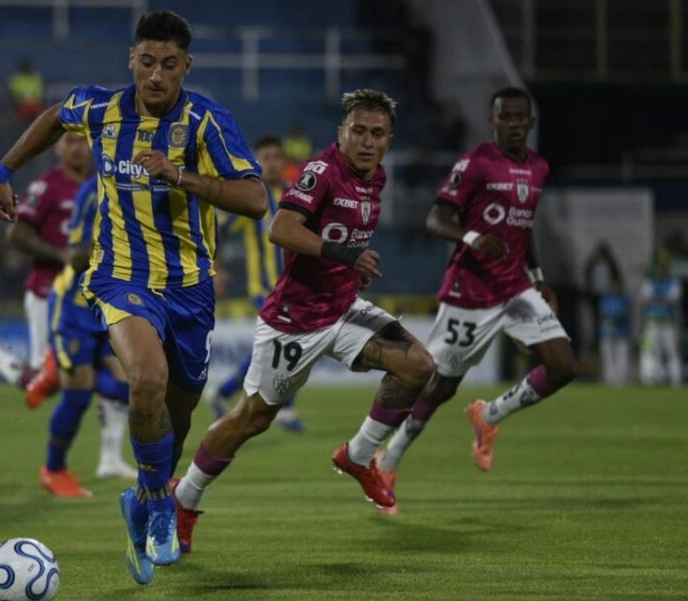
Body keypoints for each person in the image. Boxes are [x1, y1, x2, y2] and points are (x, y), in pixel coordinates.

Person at [0, 11, 266, 585]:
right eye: (146, 62)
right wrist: (3, 169)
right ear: (131, 60)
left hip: (189, 287)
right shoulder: (102, 108)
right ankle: (161, 504)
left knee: (176, 418)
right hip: (120, 276)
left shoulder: (207, 122)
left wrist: (181, 177)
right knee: (147, 381)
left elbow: (257, 200)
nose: (155, 75)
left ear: (185, 67)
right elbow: (55, 116)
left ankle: (141, 500)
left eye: (168, 65)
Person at [172, 90, 436, 552]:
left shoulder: (376, 178)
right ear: (342, 133)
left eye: (377, 134)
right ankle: (186, 496)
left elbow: (342, 238)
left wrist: (349, 269)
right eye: (358, 131)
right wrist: (345, 255)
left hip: (342, 307)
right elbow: (280, 229)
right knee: (253, 418)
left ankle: (357, 457)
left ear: (389, 139)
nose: (367, 142)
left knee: (418, 365)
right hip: (296, 320)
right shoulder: (321, 173)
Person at [376, 87, 578, 515]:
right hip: (469, 294)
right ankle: (388, 459)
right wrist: (470, 237)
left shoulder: (538, 167)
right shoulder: (476, 163)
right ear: (493, 121)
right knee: (439, 386)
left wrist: (539, 278)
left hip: (515, 290)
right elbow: (436, 217)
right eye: (505, 117)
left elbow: (524, 229)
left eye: (520, 117)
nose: (514, 124)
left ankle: (490, 416)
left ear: (531, 122)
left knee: (563, 365)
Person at [0, 132, 92, 409]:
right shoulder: (45, 187)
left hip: (86, 293)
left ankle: (110, 453)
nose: (77, 148)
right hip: (48, 291)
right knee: (47, 380)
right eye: (69, 141)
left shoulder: (100, 186)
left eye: (82, 141)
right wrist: (61, 255)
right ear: (56, 146)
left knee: (98, 369)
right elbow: (16, 236)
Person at [39, 179, 138, 497]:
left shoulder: (141, 187)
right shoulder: (92, 192)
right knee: (78, 396)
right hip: (76, 307)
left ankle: (59, 373)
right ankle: (53, 469)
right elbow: (75, 256)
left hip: (108, 303)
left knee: (126, 387)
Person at [206, 135, 304, 432]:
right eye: (266, 157)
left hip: (296, 287)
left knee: (284, 346)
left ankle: (223, 393)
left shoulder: (296, 197)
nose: (272, 163)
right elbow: (220, 230)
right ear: (257, 162)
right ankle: (283, 407)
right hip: (264, 289)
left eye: (277, 157)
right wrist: (217, 268)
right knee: (287, 341)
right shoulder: (254, 199)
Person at [639, 257, 682, 387]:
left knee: (671, 350)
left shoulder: (673, 283)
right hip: (652, 323)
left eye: (663, 269)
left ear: (666, 270)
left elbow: (673, 298)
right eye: (658, 269)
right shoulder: (650, 282)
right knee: (651, 350)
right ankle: (652, 378)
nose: (660, 271)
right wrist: (662, 298)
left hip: (668, 323)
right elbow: (645, 298)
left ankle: (675, 379)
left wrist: (656, 298)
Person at [599, 275, 631, 386]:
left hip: (622, 332)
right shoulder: (606, 299)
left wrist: (614, 316)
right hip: (608, 332)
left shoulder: (624, 299)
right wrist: (612, 316)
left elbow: (623, 313)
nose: (616, 289)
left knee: (622, 357)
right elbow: (604, 313)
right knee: (609, 357)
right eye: (614, 286)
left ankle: (622, 380)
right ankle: (610, 380)